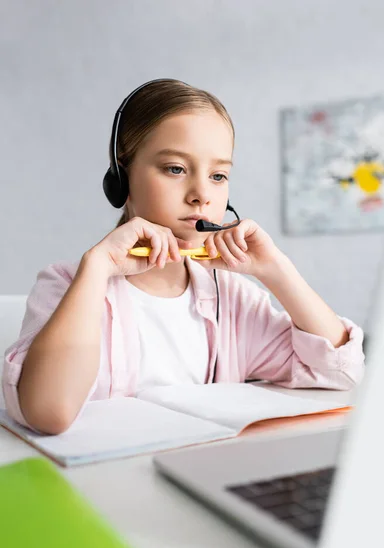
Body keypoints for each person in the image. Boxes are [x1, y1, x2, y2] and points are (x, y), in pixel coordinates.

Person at [1, 78, 365, 435]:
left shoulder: (233, 298)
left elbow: (340, 372)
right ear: (121, 180)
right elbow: (49, 412)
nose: (201, 195)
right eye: (175, 169)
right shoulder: (68, 286)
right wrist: (96, 269)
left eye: (219, 175)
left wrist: (278, 271)